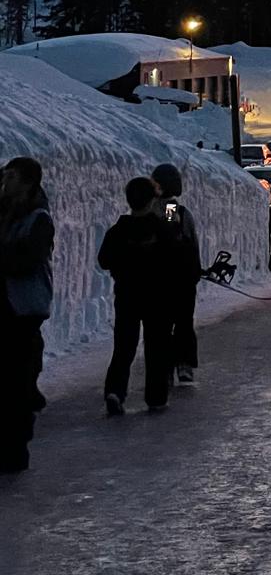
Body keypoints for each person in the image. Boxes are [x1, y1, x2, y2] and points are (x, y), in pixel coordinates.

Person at [98, 177, 182, 414]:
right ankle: (156, 397)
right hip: (157, 298)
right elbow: (176, 251)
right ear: (153, 199)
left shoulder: (118, 230)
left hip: (126, 295)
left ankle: (115, 391)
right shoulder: (161, 226)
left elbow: (104, 260)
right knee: (157, 347)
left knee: (124, 347)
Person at [0, 158, 54, 472]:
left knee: (18, 380)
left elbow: (25, 261)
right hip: (5, 309)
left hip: (23, 311)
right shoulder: (5, 213)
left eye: (11, 176)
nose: (6, 181)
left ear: (28, 182)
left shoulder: (38, 219)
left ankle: (15, 447)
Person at [150, 164, 202, 386]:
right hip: (180, 279)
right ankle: (184, 364)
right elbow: (187, 241)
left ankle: (165, 366)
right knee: (183, 323)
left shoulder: (150, 210)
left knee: (162, 326)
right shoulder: (175, 210)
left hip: (158, 280)